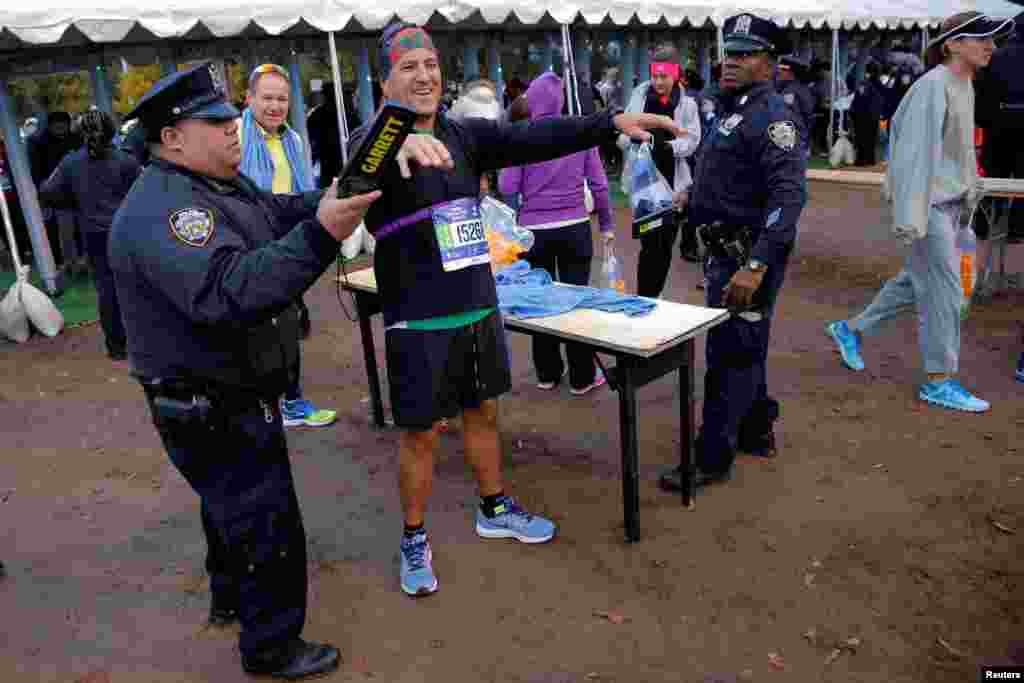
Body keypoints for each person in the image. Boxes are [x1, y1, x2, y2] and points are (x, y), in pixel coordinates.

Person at [349, 21, 680, 598]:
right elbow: (355, 176)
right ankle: (413, 536)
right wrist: (394, 137)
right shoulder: (371, 142)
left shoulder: (463, 136)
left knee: (483, 413)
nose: (424, 74)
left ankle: (493, 507)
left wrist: (607, 123)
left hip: (477, 305)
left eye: (430, 63)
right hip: (417, 315)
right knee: (422, 434)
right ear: (386, 83)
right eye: (409, 67)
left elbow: (536, 136)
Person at [108, 62, 380, 679]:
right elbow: (233, 290)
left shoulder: (215, 186)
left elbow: (278, 210)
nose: (234, 129)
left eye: (231, 117)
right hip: (212, 402)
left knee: (226, 507)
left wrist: (328, 199)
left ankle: (230, 597)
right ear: (171, 137)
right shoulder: (170, 209)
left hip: (221, 394)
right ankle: (271, 645)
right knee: (265, 520)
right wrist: (324, 232)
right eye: (216, 121)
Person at [826, 12, 1014, 413]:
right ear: (953, 44)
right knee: (945, 293)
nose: (992, 47)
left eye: (993, 40)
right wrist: (913, 217)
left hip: (948, 206)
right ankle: (939, 379)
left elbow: (959, 150)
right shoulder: (932, 87)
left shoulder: (963, 83)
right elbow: (912, 156)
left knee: (917, 281)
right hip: (927, 207)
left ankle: (850, 329)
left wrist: (970, 190)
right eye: (983, 38)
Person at [659, 13, 808, 492]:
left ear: (770, 62)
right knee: (747, 344)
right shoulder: (731, 107)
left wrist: (756, 266)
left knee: (729, 354)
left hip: (749, 256)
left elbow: (788, 200)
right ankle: (756, 428)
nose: (731, 62)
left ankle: (711, 457)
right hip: (725, 249)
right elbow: (728, 173)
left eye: (745, 54)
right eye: (730, 51)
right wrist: (693, 198)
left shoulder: (773, 117)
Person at [498, 72, 614, 395]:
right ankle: (582, 376)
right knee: (575, 301)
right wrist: (605, 225)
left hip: (534, 232)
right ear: (561, 100)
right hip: (576, 228)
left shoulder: (521, 136)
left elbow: (507, 186)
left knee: (539, 301)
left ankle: (547, 373)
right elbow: (601, 185)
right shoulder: (577, 132)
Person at [239, 62, 336, 429]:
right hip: (248, 243)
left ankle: (291, 401)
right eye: (267, 98)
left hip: (287, 239)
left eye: (282, 99)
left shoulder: (294, 140)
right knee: (256, 326)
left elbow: (296, 192)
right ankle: (263, 404)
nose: (275, 106)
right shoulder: (234, 135)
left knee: (288, 322)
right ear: (249, 99)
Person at [37, 110, 139, 361]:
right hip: (126, 231)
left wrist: (74, 202)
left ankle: (116, 346)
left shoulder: (70, 162)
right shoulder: (126, 160)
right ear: (111, 131)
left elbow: (47, 191)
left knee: (106, 290)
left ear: (81, 134)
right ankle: (143, 340)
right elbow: (144, 193)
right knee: (137, 286)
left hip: (93, 233)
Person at [617, 45, 702, 296]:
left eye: (664, 76)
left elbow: (692, 141)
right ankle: (647, 296)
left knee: (664, 244)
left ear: (675, 74)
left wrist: (668, 147)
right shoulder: (639, 96)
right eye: (655, 75)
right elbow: (622, 133)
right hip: (643, 183)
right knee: (648, 242)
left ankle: (654, 296)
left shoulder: (688, 105)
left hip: (673, 184)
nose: (658, 81)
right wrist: (634, 141)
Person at [977, 11, 1024, 243]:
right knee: (1022, 184)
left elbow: (983, 93)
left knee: (991, 179)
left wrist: (985, 122)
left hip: (998, 124)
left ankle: (982, 225)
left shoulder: (997, 56)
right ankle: (1016, 230)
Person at [28, 112, 82, 267]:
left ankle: (80, 259)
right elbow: (36, 172)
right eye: (56, 124)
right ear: (49, 125)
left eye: (63, 123)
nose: (60, 127)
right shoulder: (38, 143)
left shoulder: (76, 139)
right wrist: (43, 191)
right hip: (55, 195)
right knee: (62, 230)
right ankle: (67, 261)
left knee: (78, 228)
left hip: (77, 191)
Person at [307, 81, 360, 191]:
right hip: (344, 157)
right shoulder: (349, 113)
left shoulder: (318, 113)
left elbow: (310, 137)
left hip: (328, 159)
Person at [777, 54, 815, 155]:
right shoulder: (794, 88)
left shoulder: (792, 91)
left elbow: (790, 117)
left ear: (791, 72)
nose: (779, 72)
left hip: (792, 136)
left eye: (783, 69)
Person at [850, 63, 886, 166]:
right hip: (867, 114)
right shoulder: (872, 84)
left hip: (865, 114)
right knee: (868, 137)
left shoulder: (869, 83)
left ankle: (865, 159)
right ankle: (866, 159)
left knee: (865, 137)